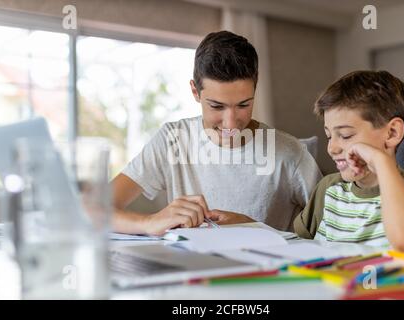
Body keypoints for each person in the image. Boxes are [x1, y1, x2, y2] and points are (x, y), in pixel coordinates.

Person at [111, 30, 322, 236]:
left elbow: (339, 230)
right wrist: (149, 222)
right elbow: (92, 209)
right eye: (217, 106)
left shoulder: (291, 153)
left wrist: (255, 228)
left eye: (243, 105)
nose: (230, 123)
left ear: (255, 91)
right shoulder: (173, 140)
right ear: (195, 91)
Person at [293, 70, 404, 253]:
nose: (332, 148)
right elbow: (295, 245)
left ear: (392, 133)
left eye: (345, 135)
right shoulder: (329, 188)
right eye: (329, 136)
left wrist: (381, 162)